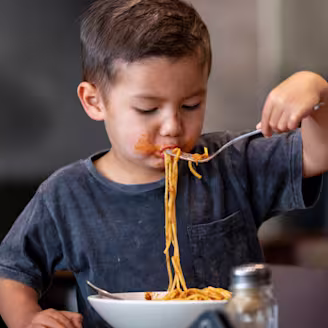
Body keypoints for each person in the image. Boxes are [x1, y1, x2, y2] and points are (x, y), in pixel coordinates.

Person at [0, 0, 328, 327]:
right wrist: (28, 317)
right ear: (94, 101)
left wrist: (317, 92)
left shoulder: (231, 164)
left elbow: (317, 154)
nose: (172, 125)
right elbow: (10, 272)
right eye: (147, 109)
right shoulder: (66, 195)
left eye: (190, 105)